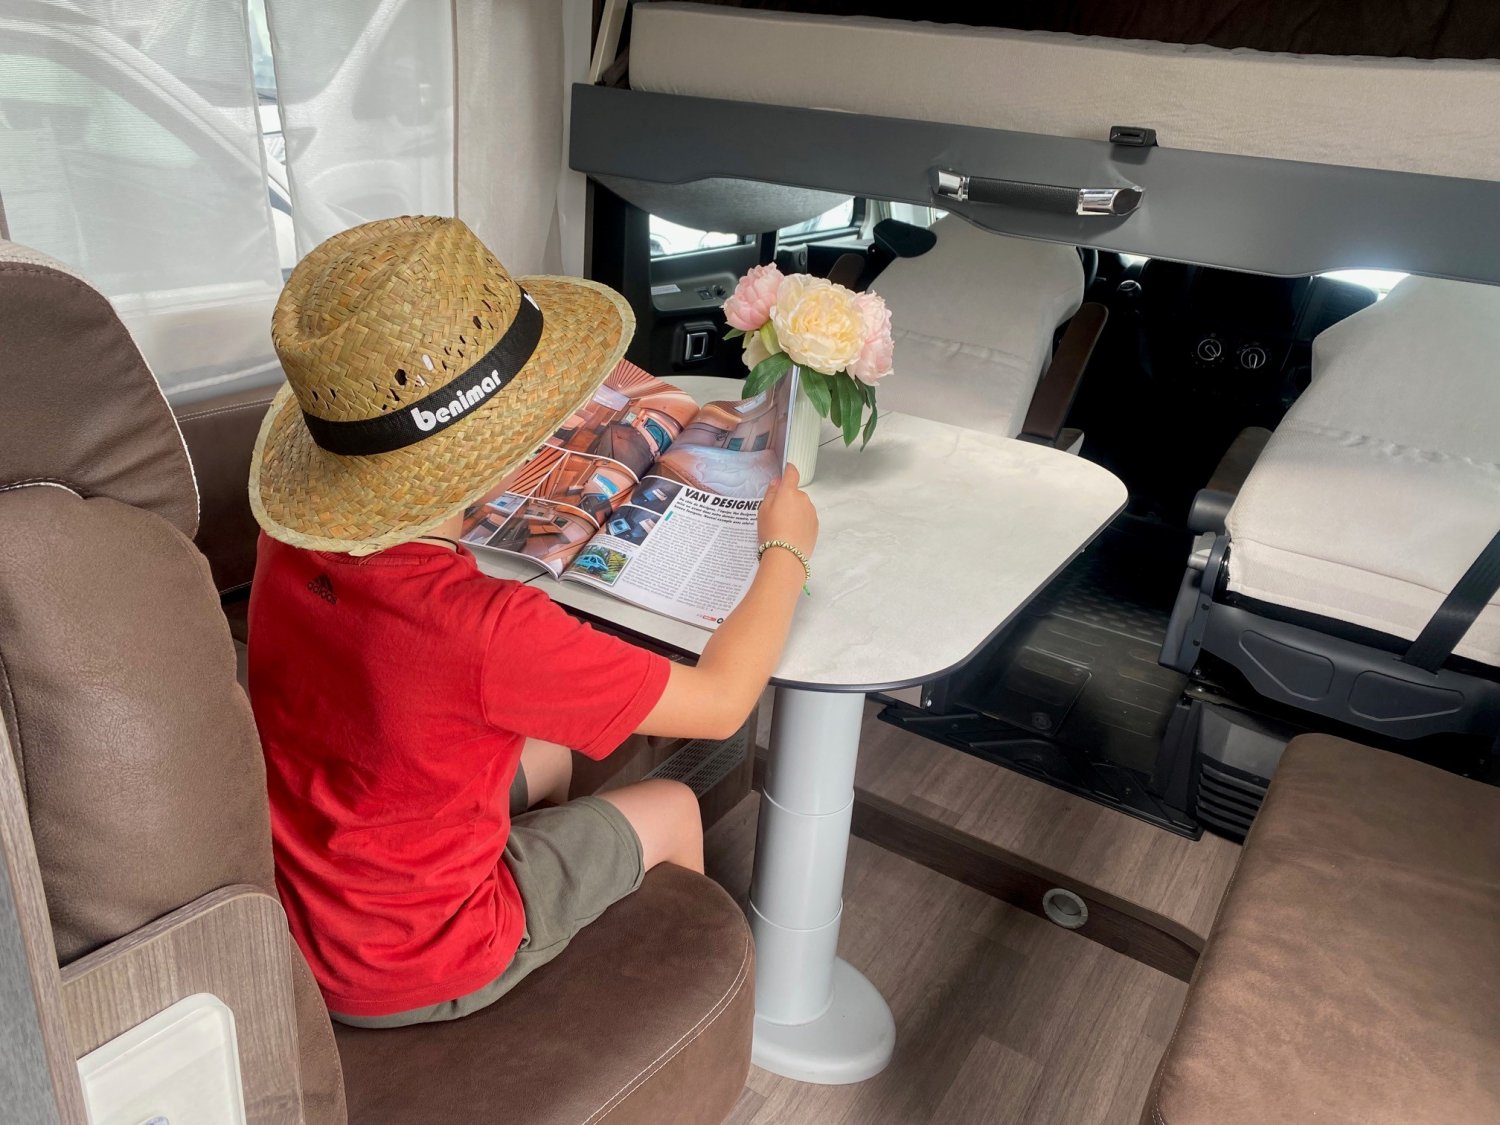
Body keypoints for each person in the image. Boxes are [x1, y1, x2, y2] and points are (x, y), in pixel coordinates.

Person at [245, 216, 816, 1026]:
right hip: (415, 960)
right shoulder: (485, 628)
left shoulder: (288, 540)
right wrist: (787, 547)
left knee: (547, 754)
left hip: (318, 891)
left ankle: (553, 884)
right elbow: (724, 702)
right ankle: (687, 1014)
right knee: (672, 806)